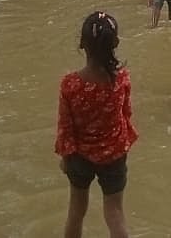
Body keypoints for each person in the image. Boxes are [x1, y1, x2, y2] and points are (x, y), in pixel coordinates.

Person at [56, 12, 137, 238]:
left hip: (79, 157)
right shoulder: (121, 79)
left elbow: (65, 128)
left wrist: (65, 158)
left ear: (82, 44)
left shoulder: (70, 84)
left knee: (76, 211)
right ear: (115, 44)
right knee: (115, 213)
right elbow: (126, 113)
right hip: (114, 155)